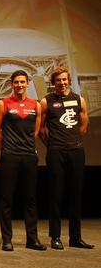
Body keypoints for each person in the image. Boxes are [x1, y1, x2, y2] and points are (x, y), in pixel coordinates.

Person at [0, 70, 46, 251]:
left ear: (27, 84)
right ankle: (7, 240)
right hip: (10, 157)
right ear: (11, 84)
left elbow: (36, 131)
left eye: (23, 82)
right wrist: (6, 149)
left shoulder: (35, 105)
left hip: (29, 156)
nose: (20, 85)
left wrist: (26, 146)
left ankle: (32, 239)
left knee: (30, 199)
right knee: (7, 199)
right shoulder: (3, 104)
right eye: (16, 82)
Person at [39, 67, 94, 250]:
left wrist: (74, 140)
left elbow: (84, 124)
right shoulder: (46, 101)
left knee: (76, 195)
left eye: (64, 80)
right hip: (56, 152)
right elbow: (40, 129)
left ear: (69, 81)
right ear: (53, 83)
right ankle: (55, 237)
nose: (62, 83)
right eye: (58, 80)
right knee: (56, 194)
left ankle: (75, 238)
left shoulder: (80, 99)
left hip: (76, 151)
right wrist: (53, 144)